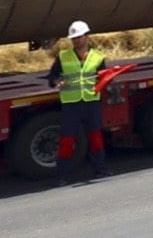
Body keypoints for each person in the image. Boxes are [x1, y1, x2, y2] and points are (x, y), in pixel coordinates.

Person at [47, 21, 110, 179]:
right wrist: (57, 82)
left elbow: (104, 78)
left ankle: (100, 169)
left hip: (91, 102)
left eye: (79, 37)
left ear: (87, 37)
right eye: (73, 38)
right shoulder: (63, 56)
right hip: (71, 104)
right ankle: (63, 175)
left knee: (95, 137)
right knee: (67, 139)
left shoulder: (98, 57)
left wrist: (102, 83)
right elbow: (52, 77)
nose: (76, 40)